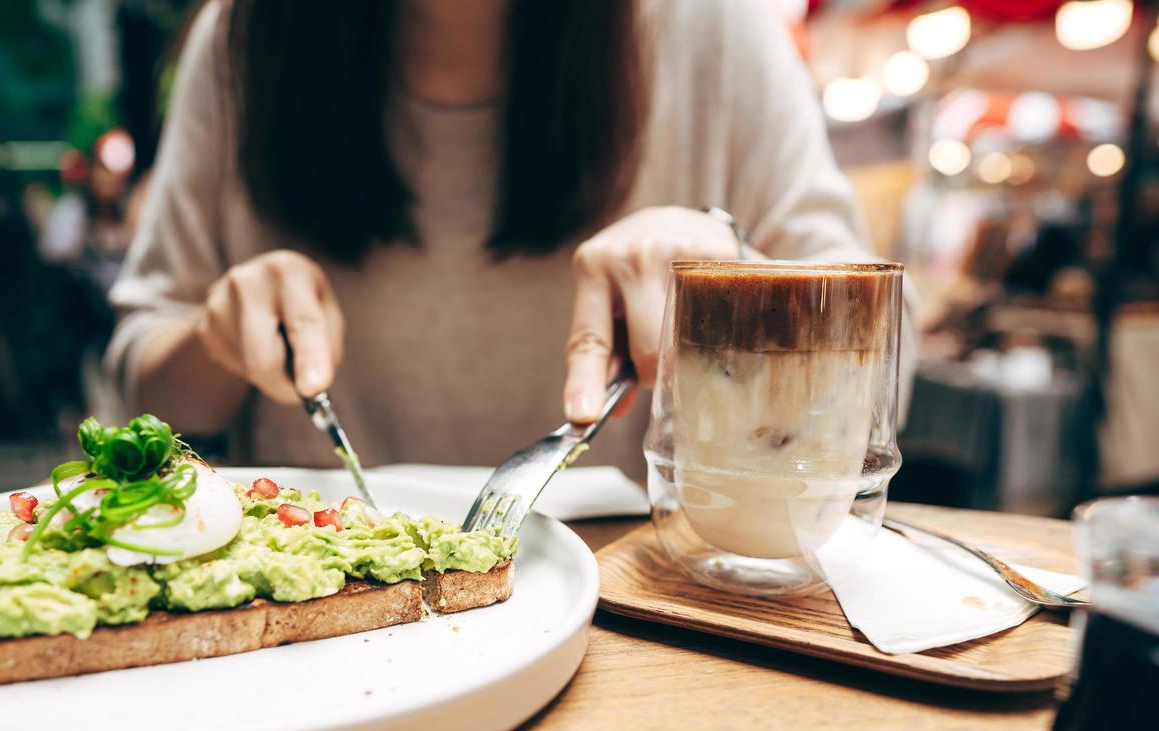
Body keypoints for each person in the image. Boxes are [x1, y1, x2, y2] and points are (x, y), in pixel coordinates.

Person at [107, 0, 915, 473]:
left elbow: (886, 374)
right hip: (318, 626)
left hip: (628, 613)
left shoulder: (712, 31)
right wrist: (219, 338)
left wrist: (732, 273)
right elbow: (145, 383)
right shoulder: (247, 40)